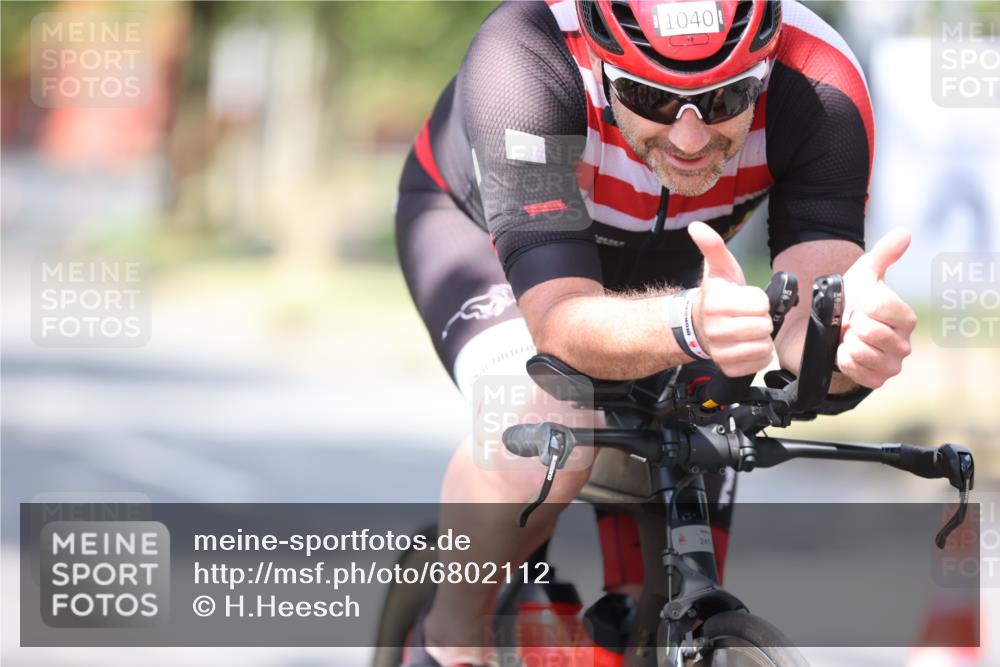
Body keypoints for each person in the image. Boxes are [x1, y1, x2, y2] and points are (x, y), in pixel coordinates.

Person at [394, 1, 916, 665]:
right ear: (601, 62)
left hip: (674, 269)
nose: (691, 139)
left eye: (726, 98)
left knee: (684, 502)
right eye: (649, 97)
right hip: (485, 241)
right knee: (548, 426)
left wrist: (850, 347)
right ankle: (446, 639)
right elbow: (560, 324)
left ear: (765, 66)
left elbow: (805, 331)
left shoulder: (818, 81)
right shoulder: (525, 55)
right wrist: (688, 322)